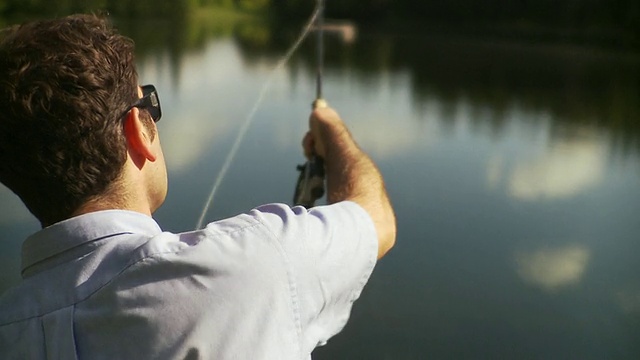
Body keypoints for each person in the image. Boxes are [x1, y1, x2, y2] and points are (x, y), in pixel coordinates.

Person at [0, 14, 396, 360]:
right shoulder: (253, 263)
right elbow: (375, 218)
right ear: (137, 131)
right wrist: (333, 132)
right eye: (148, 105)